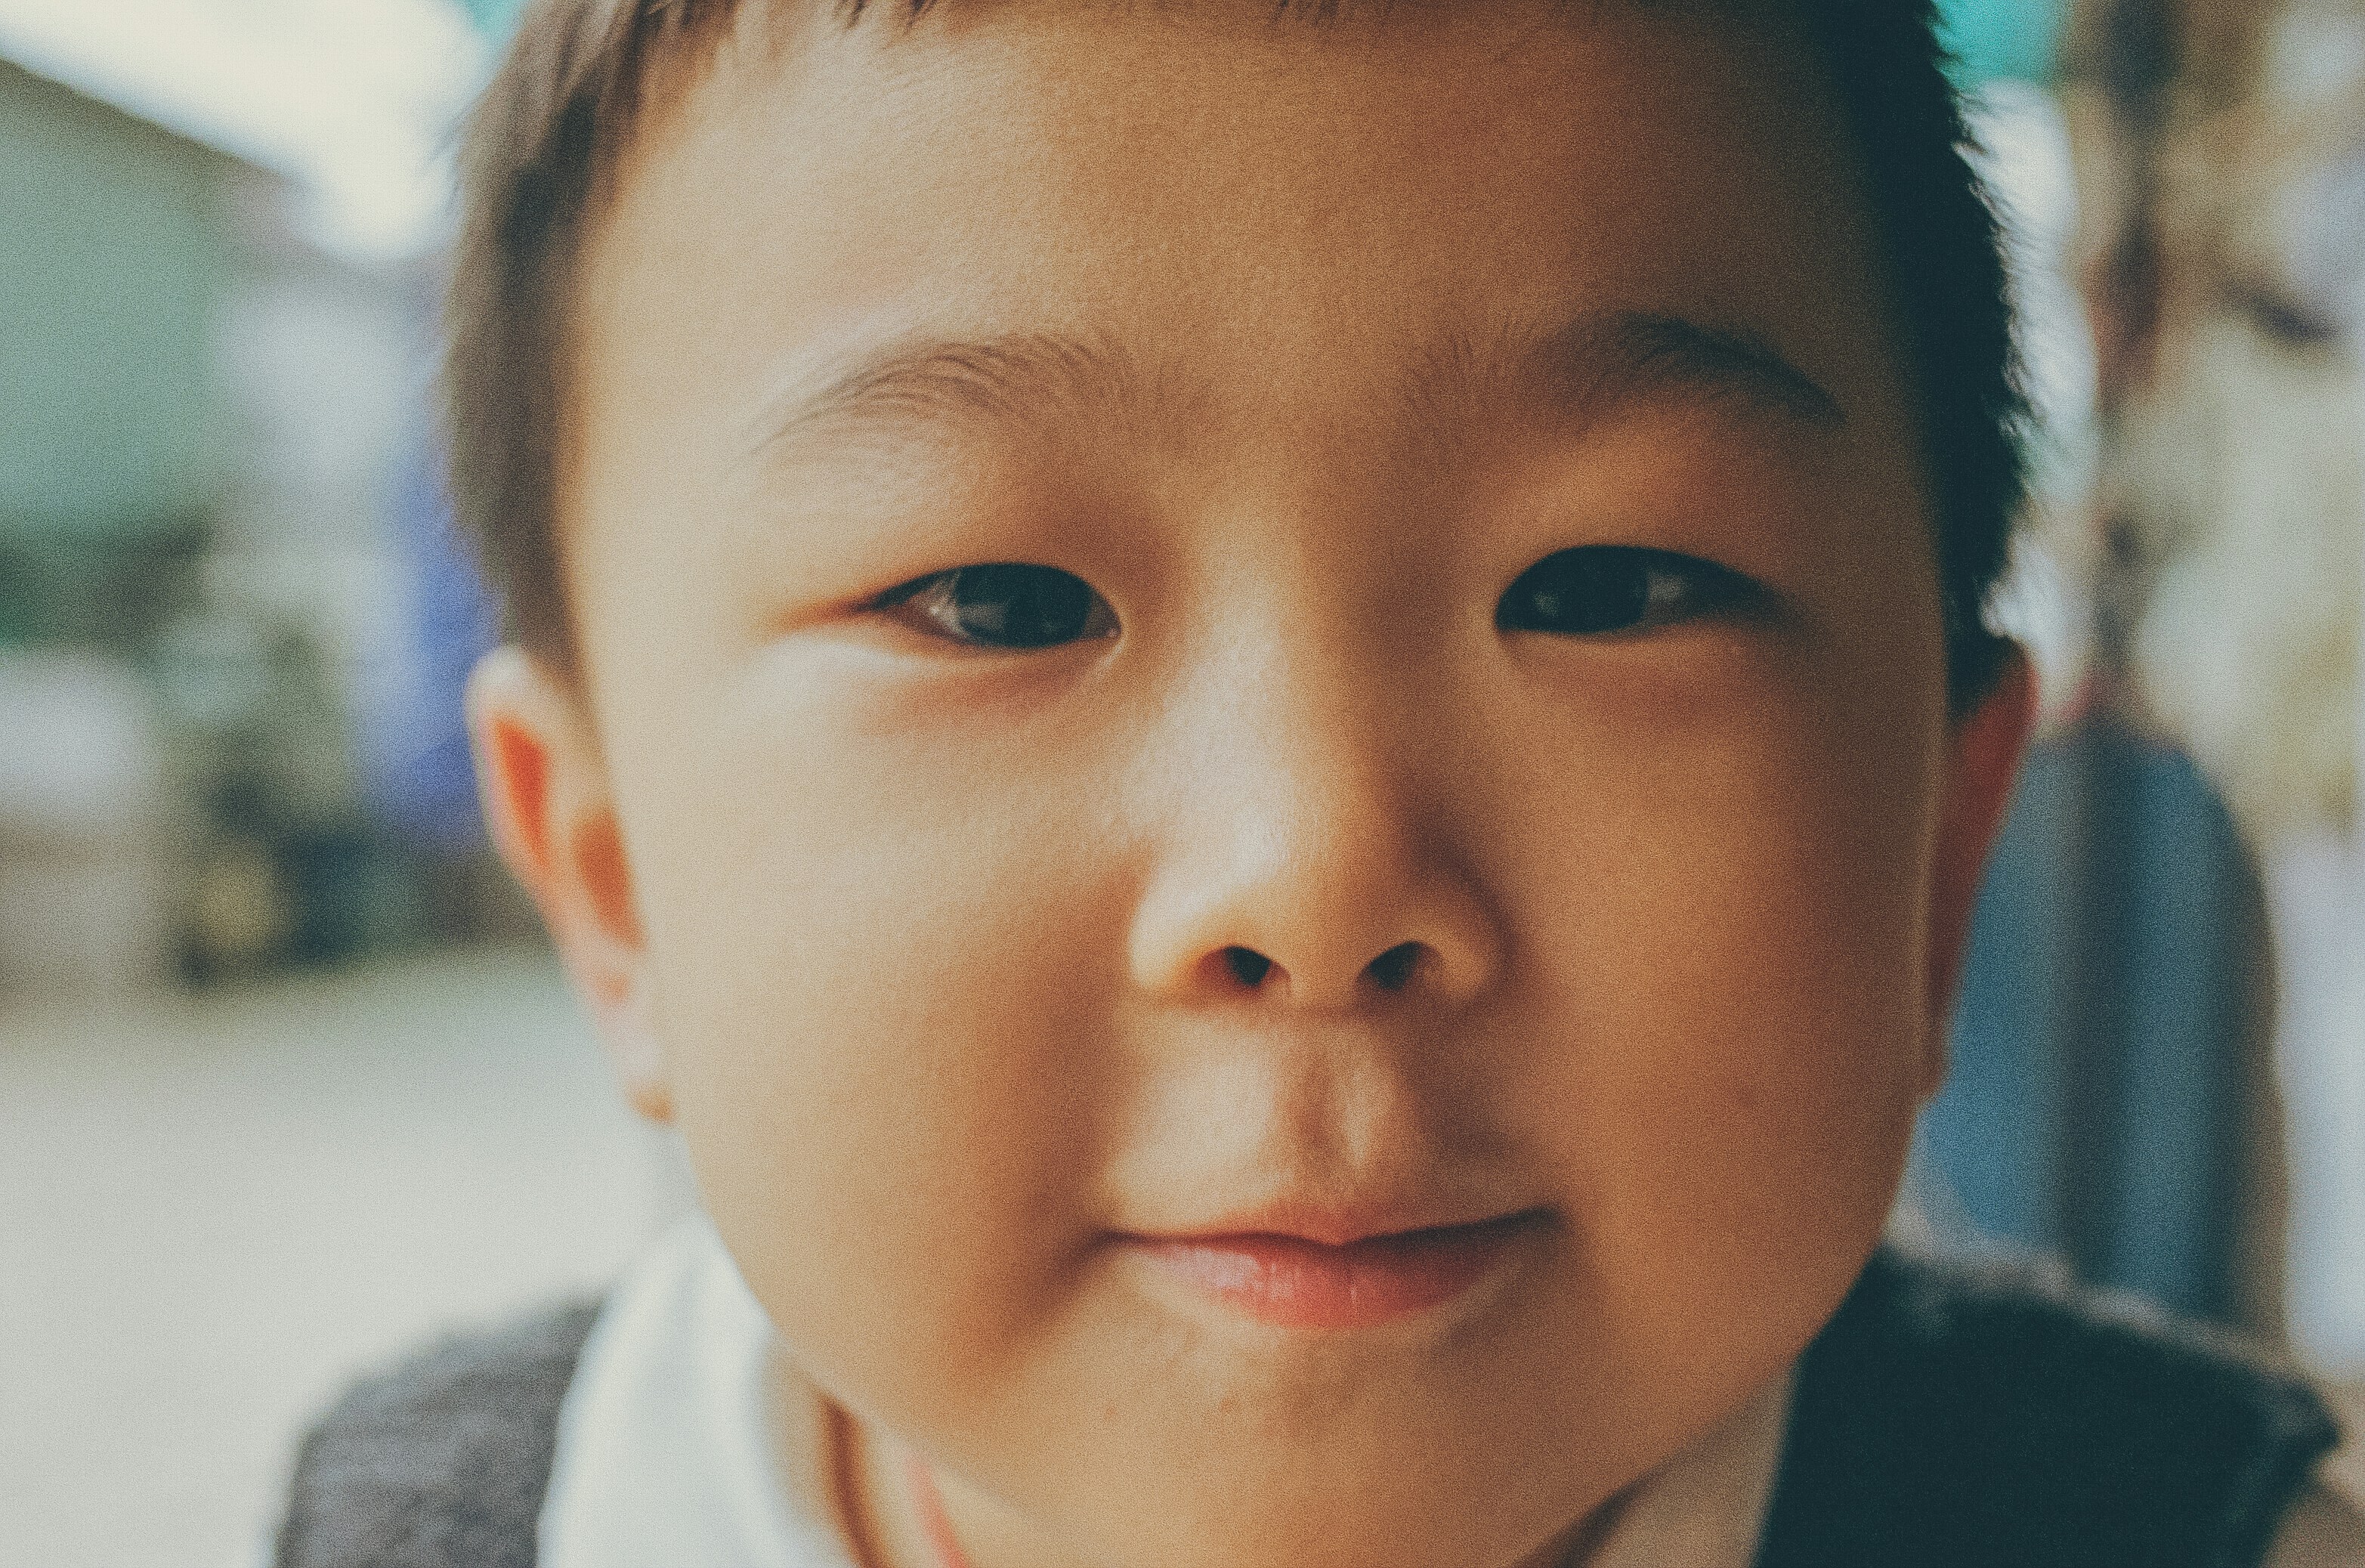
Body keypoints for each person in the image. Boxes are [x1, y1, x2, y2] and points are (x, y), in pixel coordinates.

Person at [275, 2, 2362, 1563]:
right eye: (996, 600)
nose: (1314, 864)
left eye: (1607, 587)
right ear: (611, 879)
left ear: (1935, 843)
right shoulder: (441, 1526)